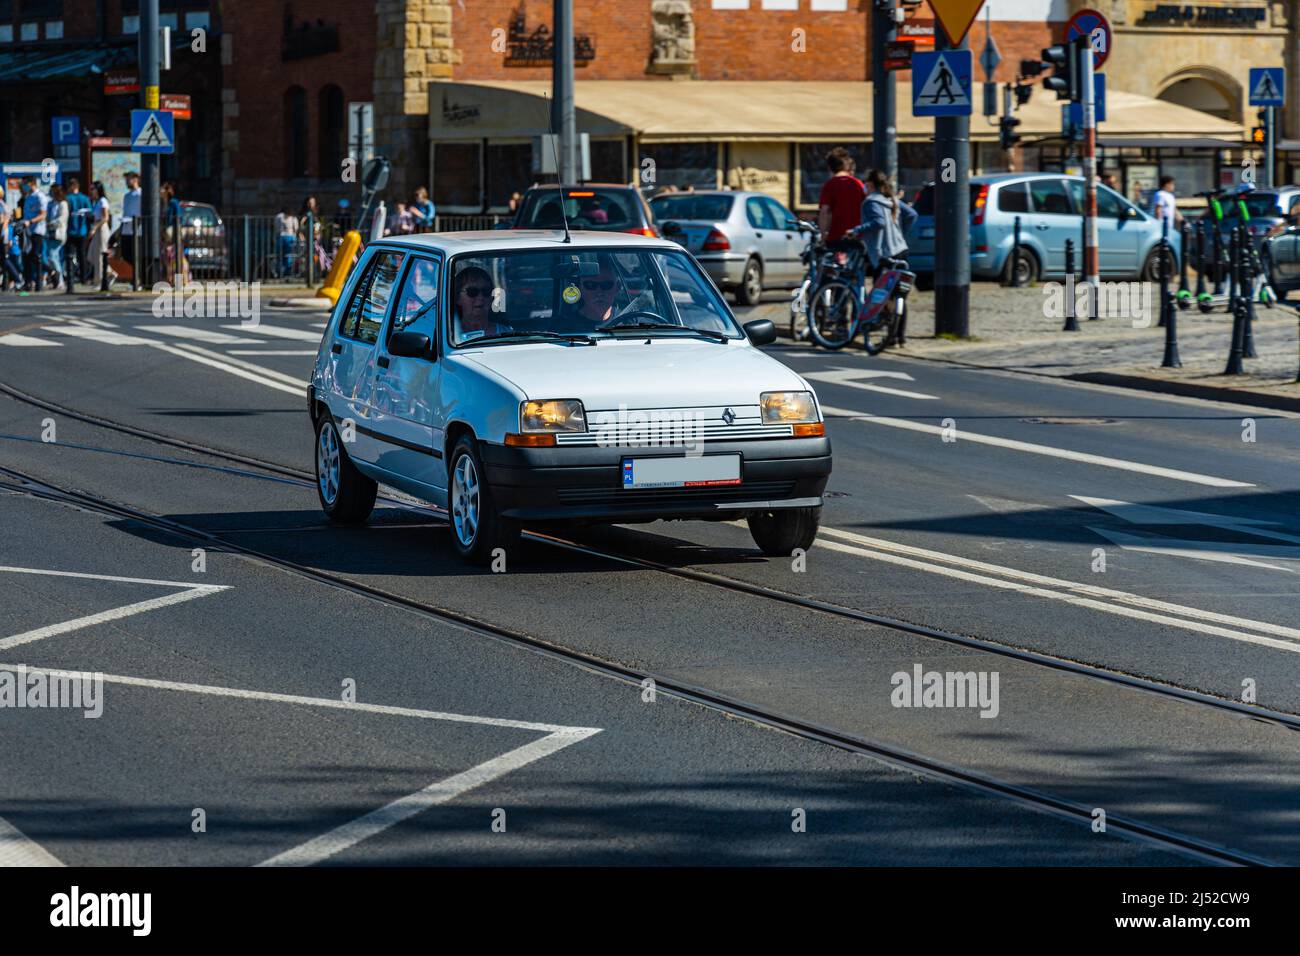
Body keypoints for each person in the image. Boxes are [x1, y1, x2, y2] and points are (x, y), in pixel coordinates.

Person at [552, 261, 622, 333]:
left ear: (618, 288)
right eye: (590, 285)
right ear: (579, 288)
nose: (599, 292)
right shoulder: (562, 328)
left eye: (606, 285)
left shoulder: (629, 322)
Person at [817, 147, 866, 241]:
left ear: (829, 167)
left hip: (836, 236)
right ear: (847, 166)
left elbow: (824, 212)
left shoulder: (829, 185)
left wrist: (823, 234)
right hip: (858, 236)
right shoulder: (858, 184)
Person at [452, 266, 508, 341]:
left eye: (486, 291)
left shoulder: (506, 334)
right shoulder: (448, 335)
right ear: (458, 298)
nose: (480, 297)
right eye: (472, 292)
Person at [19, 176, 48, 291]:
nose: (24, 186)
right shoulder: (28, 197)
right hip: (27, 231)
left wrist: (30, 222)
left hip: (37, 230)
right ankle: (28, 282)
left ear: (31, 183)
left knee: (36, 256)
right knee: (26, 257)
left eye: (25, 183)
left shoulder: (40, 196)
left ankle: (46, 275)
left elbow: (43, 214)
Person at [87, 181, 116, 290]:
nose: (91, 191)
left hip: (102, 229)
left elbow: (105, 217)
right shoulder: (96, 202)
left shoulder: (103, 201)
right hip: (96, 227)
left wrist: (95, 228)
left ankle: (99, 282)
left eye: (93, 188)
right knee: (91, 256)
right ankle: (110, 273)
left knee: (99, 256)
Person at [64, 178, 91, 287]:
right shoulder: (85, 198)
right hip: (82, 230)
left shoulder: (68, 198)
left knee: (69, 255)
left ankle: (70, 277)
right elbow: (90, 213)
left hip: (71, 230)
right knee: (82, 256)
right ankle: (83, 278)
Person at [44, 184, 68, 290]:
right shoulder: (51, 203)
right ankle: (56, 279)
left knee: (53, 257)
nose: (51, 193)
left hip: (58, 233)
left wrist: (51, 223)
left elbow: (62, 218)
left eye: (53, 191)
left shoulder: (63, 204)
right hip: (49, 233)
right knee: (52, 257)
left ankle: (60, 281)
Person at [120, 171, 141, 272]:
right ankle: (136, 276)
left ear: (135, 180)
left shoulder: (140, 194)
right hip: (126, 229)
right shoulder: (126, 196)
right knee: (126, 254)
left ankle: (137, 278)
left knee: (136, 255)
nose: (127, 182)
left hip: (137, 229)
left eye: (128, 179)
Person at [274, 206, 299, 277]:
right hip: (290, 237)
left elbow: (276, 227)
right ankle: (288, 272)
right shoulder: (293, 218)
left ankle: (279, 272)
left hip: (280, 237)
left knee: (279, 255)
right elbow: (296, 228)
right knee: (289, 255)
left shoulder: (278, 216)